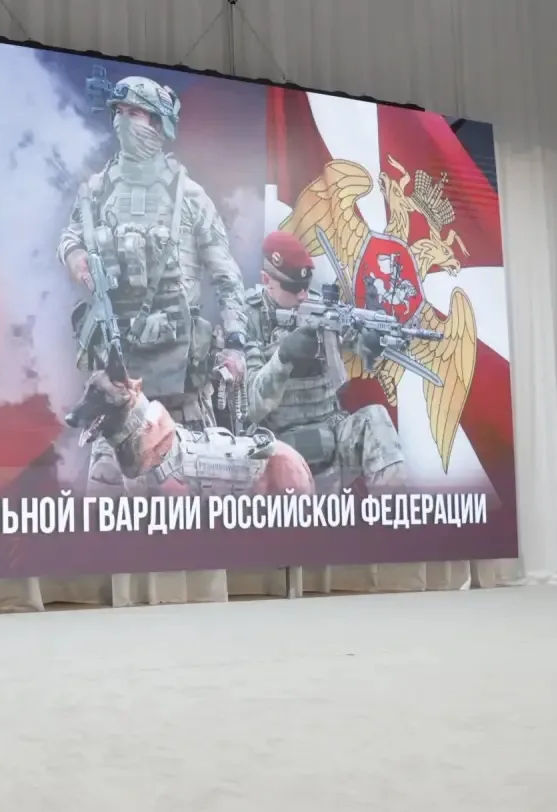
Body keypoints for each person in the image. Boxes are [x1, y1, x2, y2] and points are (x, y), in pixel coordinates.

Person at [57, 75, 248, 496]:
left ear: (160, 124)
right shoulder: (98, 191)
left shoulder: (189, 197)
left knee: (188, 502)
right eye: (119, 113)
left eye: (135, 114)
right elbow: (70, 236)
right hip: (119, 385)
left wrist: (236, 345)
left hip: (181, 382)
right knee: (106, 505)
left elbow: (226, 276)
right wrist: (77, 259)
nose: (124, 122)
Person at [242, 231, 407, 491]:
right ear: (266, 280)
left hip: (332, 435)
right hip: (278, 445)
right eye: (293, 288)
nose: (302, 295)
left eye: (305, 286)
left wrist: (372, 340)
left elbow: (356, 341)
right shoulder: (246, 319)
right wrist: (283, 357)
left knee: (376, 419)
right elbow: (252, 406)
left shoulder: (319, 309)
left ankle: (394, 510)